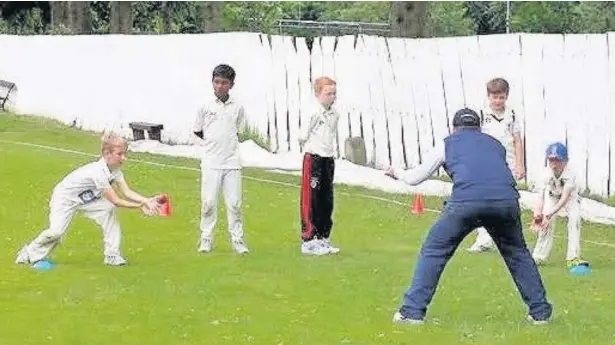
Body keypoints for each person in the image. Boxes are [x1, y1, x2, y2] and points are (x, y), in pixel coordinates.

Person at [385, 108, 552, 325]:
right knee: (518, 254)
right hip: (506, 202)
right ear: (479, 127)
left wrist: (396, 172)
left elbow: (415, 178)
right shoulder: (495, 144)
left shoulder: (448, 143)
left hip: (467, 201)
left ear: (454, 128)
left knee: (434, 249)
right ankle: (540, 312)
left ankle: (412, 312)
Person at [15, 132, 161, 268]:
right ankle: (28, 253)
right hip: (65, 198)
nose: (124, 158)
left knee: (108, 209)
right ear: (106, 154)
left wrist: (147, 201)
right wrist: (140, 205)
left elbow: (127, 192)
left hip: (87, 199)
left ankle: (112, 255)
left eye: (124, 154)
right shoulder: (98, 173)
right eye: (120, 154)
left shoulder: (115, 170)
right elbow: (116, 200)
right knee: (56, 232)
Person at [193, 64, 249, 255]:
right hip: (211, 162)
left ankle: (237, 240)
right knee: (208, 202)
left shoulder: (237, 107)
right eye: (216, 82)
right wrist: (213, 146)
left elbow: (238, 131)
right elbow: (198, 130)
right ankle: (206, 238)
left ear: (231, 85)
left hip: (232, 163)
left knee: (234, 204)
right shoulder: (205, 106)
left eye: (224, 83)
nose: (219, 86)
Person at [468, 77, 526, 253]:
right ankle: (483, 239)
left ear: (506, 96)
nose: (498, 101)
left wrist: (520, 165)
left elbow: (517, 141)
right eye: (494, 97)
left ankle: (508, 238)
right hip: (485, 162)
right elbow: (474, 139)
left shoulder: (512, 115)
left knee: (504, 199)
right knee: (481, 198)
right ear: (488, 96)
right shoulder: (481, 114)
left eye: (501, 97)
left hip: (506, 162)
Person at [298, 76, 340, 256]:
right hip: (313, 158)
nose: (331, 97)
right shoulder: (313, 113)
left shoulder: (335, 114)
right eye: (328, 93)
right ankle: (309, 239)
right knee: (312, 198)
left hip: (328, 159)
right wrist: (312, 148)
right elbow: (302, 135)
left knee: (326, 198)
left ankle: (323, 237)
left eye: (334, 93)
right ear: (318, 94)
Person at [530, 142, 589, 269]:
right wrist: (538, 215)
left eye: (557, 160)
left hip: (571, 198)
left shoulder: (571, 173)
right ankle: (539, 256)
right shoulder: (544, 174)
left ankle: (573, 257)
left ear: (565, 161)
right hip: (552, 196)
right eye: (551, 160)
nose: (554, 164)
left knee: (575, 218)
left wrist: (549, 214)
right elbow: (540, 196)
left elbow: (565, 198)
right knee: (546, 223)